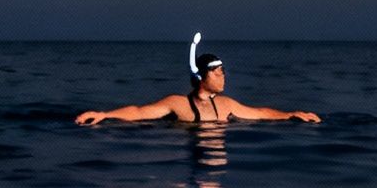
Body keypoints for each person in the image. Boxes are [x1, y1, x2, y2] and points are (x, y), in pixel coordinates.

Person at [75, 51, 321, 125]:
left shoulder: (226, 104)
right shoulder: (178, 103)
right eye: (218, 72)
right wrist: (105, 115)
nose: (223, 77)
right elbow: (139, 112)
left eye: (223, 71)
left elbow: (259, 113)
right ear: (203, 77)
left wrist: (290, 114)